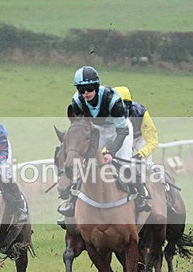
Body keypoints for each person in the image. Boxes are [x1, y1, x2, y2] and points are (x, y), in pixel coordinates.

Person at [58, 66, 151, 218]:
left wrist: (111, 152)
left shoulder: (112, 99)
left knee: (124, 165)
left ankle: (142, 196)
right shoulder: (77, 101)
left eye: (88, 88)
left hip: (120, 129)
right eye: (81, 90)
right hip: (96, 130)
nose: (85, 93)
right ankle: (71, 201)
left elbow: (122, 131)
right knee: (85, 164)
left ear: (95, 86)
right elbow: (80, 127)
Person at [113, 86, 159, 164]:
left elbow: (152, 141)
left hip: (139, 139)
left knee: (147, 164)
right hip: (119, 140)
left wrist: (140, 155)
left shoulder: (141, 112)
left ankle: (157, 173)